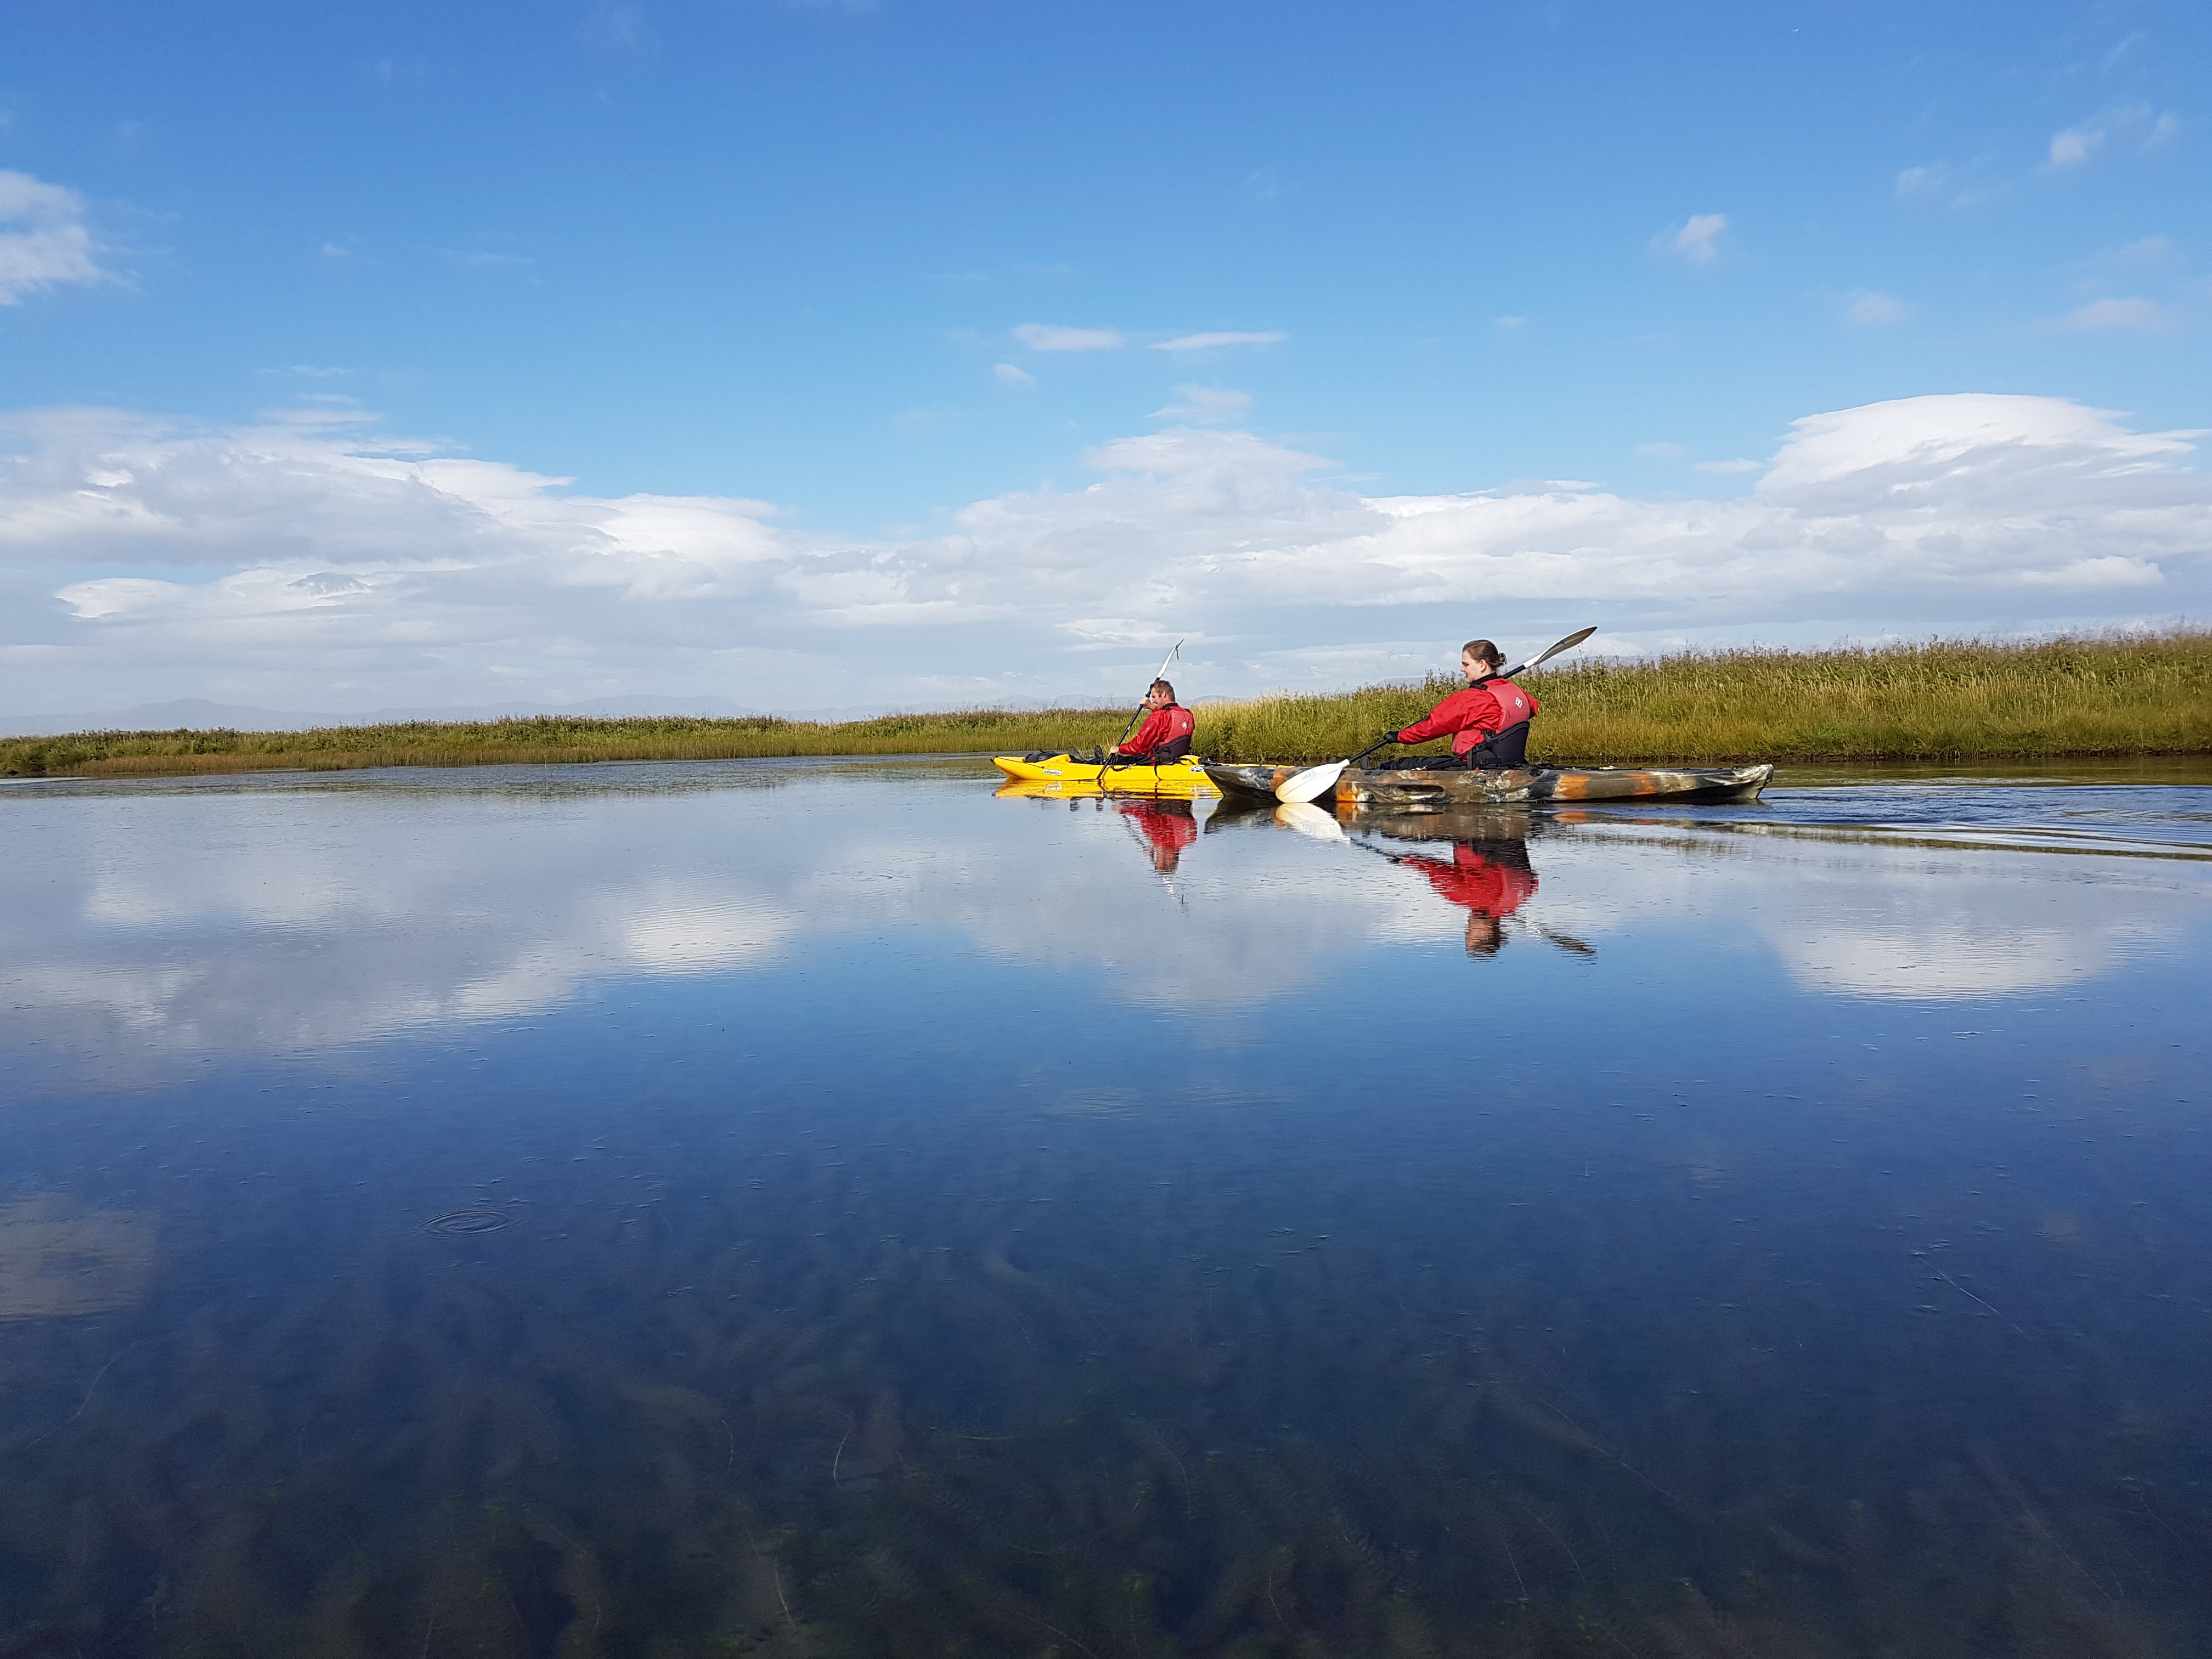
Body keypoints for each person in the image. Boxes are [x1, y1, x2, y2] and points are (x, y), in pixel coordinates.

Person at [1375, 640, 1537, 770]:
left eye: (1466, 664)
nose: (1462, 669)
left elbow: (1434, 725)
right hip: (1508, 764)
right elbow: (1531, 708)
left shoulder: (1472, 699)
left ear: (1482, 665)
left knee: (1398, 766)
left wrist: (1399, 736)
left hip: (1475, 766)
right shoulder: (1515, 691)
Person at [1107, 679, 1196, 764]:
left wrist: (1118, 749)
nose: (1153, 701)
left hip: (1157, 763)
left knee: (1120, 760)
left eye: (1154, 697)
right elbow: (1168, 717)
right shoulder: (1188, 714)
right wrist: (1151, 706)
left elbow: (1139, 745)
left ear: (1164, 694)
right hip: (1178, 761)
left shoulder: (1159, 717)